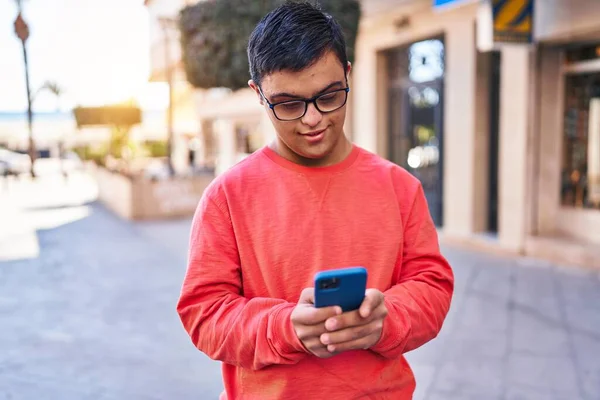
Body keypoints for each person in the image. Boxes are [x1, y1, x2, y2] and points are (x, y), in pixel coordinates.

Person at [176, 2, 454, 399]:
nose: (312, 119)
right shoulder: (227, 196)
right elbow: (204, 314)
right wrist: (285, 327)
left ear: (348, 76)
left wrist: (384, 320)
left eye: (328, 96)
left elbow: (432, 287)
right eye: (289, 104)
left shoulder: (399, 187)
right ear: (258, 94)